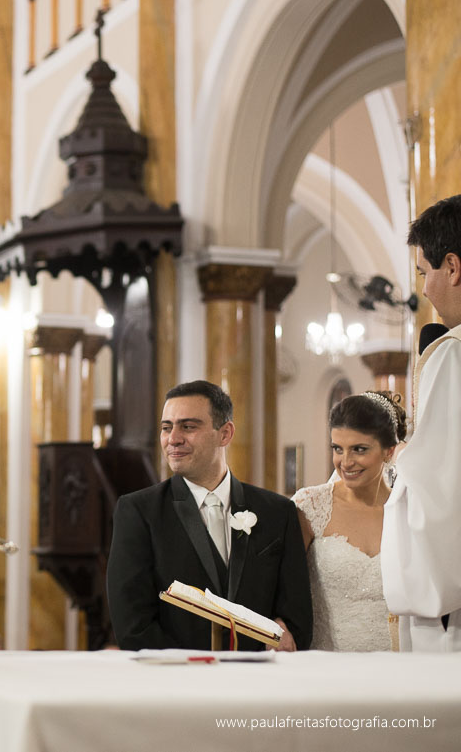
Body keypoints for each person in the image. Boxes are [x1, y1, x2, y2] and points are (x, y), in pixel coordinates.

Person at [106, 380, 312, 651]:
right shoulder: (138, 511)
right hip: (176, 674)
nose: (173, 438)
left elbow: (297, 618)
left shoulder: (278, 512)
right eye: (166, 427)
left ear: (224, 434)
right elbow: (132, 627)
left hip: (259, 674)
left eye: (188, 427)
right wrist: (193, 669)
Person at [383, 196, 461, 651]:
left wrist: (398, 464)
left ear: (452, 267)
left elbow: (437, 491)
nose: (426, 290)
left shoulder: (451, 355)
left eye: (423, 272)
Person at [293, 392, 405, 651]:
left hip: (397, 662)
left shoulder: (408, 511)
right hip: (327, 661)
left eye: (359, 449)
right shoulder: (310, 506)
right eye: (337, 449)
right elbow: (283, 590)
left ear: (388, 451)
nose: (346, 462)